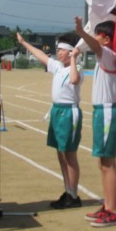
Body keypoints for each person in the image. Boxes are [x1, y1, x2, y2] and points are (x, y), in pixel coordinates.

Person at [17, 31, 84, 209]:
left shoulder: (77, 68)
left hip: (69, 112)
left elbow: (74, 80)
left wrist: (74, 59)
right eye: (58, 49)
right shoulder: (58, 67)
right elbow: (41, 55)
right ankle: (67, 190)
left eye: (63, 50)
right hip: (56, 111)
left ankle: (73, 195)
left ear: (71, 51)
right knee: (61, 154)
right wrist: (23, 42)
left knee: (69, 154)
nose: (59, 52)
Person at [74, 17, 116, 227]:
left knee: (108, 163)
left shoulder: (108, 54)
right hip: (102, 112)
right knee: (103, 163)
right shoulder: (107, 56)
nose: (94, 38)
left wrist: (81, 32)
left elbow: (95, 45)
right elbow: (95, 45)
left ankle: (114, 210)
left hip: (107, 112)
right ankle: (108, 205)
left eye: (98, 34)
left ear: (106, 39)